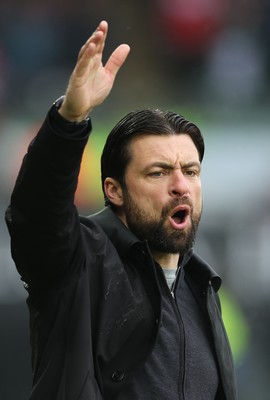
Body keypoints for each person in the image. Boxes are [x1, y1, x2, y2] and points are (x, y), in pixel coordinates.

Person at [5, 20, 237, 400]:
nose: (180, 184)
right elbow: (37, 216)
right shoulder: (79, 263)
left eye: (190, 171)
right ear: (114, 191)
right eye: (158, 172)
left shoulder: (202, 287)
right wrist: (69, 121)